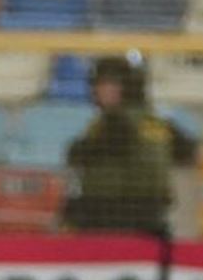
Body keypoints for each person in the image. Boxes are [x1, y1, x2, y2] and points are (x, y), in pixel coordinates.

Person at [62, 53, 195, 235]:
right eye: (99, 85)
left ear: (126, 87)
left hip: (111, 219)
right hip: (153, 219)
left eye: (107, 85)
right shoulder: (157, 122)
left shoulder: (115, 121)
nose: (100, 91)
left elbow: (78, 155)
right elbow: (188, 152)